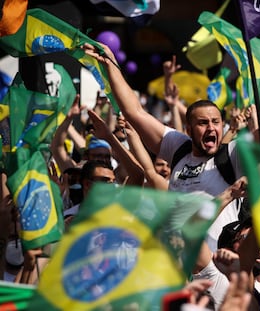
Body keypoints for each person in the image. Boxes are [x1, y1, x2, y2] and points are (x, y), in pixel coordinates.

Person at [82, 42, 250, 251]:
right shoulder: (178, 147)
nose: (211, 128)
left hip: (218, 269)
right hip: (177, 268)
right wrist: (111, 64)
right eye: (203, 123)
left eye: (216, 122)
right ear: (188, 128)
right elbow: (135, 112)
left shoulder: (231, 155)